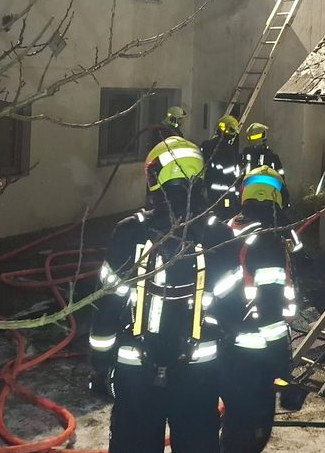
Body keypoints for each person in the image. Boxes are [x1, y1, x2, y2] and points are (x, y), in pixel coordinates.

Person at [89, 136, 241, 452]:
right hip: (199, 375)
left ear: (156, 178)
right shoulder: (219, 234)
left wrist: (101, 364)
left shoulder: (129, 232)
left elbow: (108, 305)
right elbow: (233, 312)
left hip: (136, 374)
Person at [220, 166, 299, 452]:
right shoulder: (266, 243)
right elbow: (269, 311)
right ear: (278, 199)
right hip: (254, 352)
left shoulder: (227, 230)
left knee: (232, 422)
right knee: (251, 429)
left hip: (221, 345)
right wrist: (283, 367)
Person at [201, 115, 242, 216]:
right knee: (225, 218)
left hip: (207, 191)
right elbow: (231, 175)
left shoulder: (206, 145)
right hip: (225, 194)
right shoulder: (228, 151)